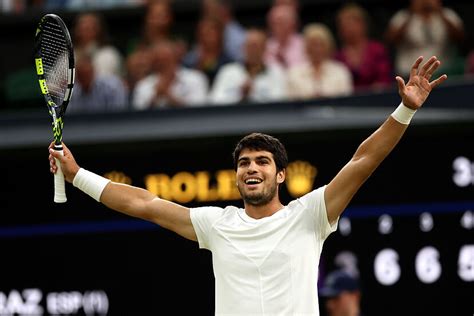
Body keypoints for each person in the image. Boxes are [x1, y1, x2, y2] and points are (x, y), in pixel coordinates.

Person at [48, 56, 446, 315]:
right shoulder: (216, 223)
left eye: (262, 161)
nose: (251, 168)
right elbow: (145, 203)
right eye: (244, 163)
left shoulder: (309, 215)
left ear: (280, 175)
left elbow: (363, 160)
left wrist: (405, 109)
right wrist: (77, 174)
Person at [385, 0, 465, 77]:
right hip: (409, 74)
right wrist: (412, 12)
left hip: (444, 71)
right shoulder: (402, 16)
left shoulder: (447, 14)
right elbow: (390, 41)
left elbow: (461, 39)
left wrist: (439, 11)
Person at [208, 28, 288, 105]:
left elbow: (279, 103)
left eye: (256, 46)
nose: (252, 50)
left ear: (264, 48)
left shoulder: (276, 73)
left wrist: (253, 95)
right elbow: (215, 101)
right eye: (249, 46)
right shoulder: (227, 71)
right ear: (243, 48)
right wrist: (240, 96)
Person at [132, 41, 209, 109]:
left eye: (167, 60)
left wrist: (168, 96)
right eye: (159, 62)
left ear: (176, 59)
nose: (164, 65)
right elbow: (138, 117)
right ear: (153, 64)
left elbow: (199, 111)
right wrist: (156, 97)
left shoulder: (196, 78)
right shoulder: (143, 85)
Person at [335, 3, 393, 92]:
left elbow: (384, 78)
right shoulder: (338, 56)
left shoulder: (377, 49)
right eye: (344, 26)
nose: (348, 29)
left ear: (363, 25)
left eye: (351, 25)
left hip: (377, 97)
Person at [287, 23, 353, 100]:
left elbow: (346, 100)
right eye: (313, 44)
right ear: (306, 47)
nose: (317, 49)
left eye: (321, 45)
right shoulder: (293, 73)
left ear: (328, 47)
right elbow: (290, 102)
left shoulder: (340, 71)